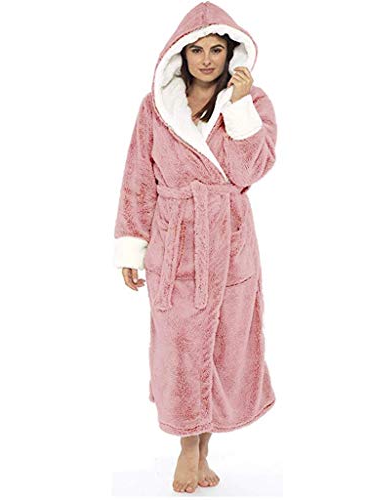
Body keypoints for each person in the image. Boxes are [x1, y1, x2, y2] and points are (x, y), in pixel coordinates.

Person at [113, 1, 277, 493]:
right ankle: (187, 450)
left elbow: (250, 171)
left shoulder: (252, 101)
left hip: (229, 244)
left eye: (216, 50)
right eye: (197, 50)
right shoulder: (156, 106)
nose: (206, 59)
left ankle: (204, 449)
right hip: (175, 243)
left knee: (224, 346)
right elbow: (138, 177)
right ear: (181, 54)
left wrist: (240, 106)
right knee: (180, 347)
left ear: (231, 53)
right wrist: (132, 245)